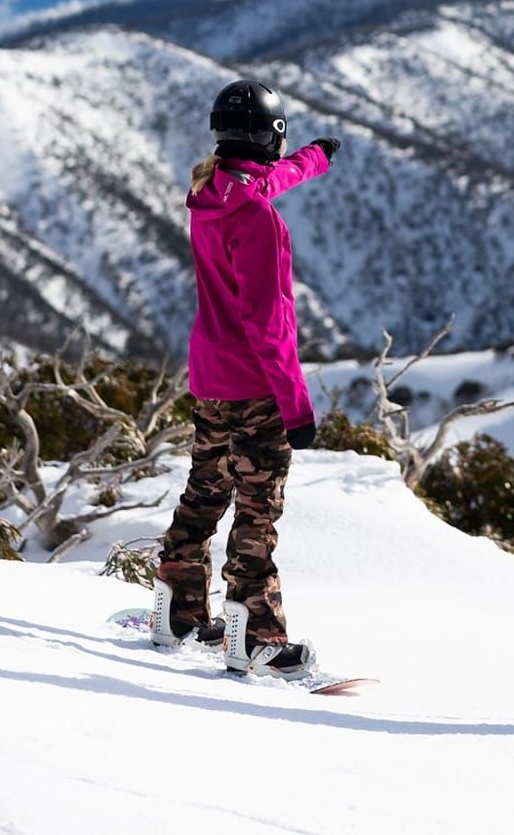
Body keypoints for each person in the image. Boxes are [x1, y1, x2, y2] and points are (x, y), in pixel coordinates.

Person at [149, 78, 339, 679]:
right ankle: (254, 636)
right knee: (257, 512)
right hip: (255, 386)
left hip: (208, 376)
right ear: (267, 137)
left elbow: (263, 181)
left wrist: (314, 158)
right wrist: (297, 407)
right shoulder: (259, 219)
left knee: (205, 491)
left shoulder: (211, 192)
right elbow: (270, 322)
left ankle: (177, 612)